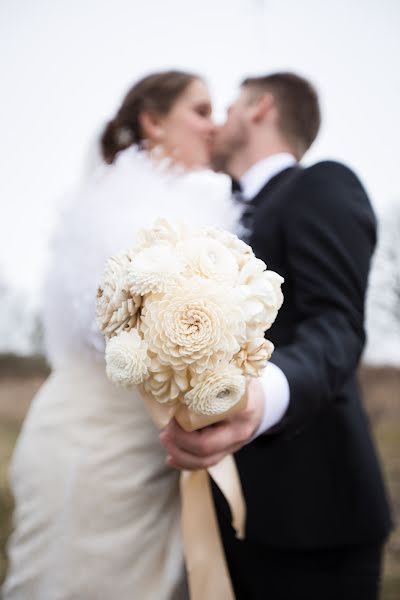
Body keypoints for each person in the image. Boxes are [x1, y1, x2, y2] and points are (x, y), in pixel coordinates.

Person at [3, 70, 235, 600]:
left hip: (150, 454)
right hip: (95, 452)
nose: (215, 126)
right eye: (200, 111)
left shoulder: (179, 210)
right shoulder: (123, 210)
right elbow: (126, 324)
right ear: (153, 121)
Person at [160, 72, 392, 599]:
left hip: (316, 521)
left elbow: (335, 326)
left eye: (229, 106)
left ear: (260, 108)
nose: (216, 123)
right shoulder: (212, 220)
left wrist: (259, 398)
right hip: (226, 516)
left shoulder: (321, 184)